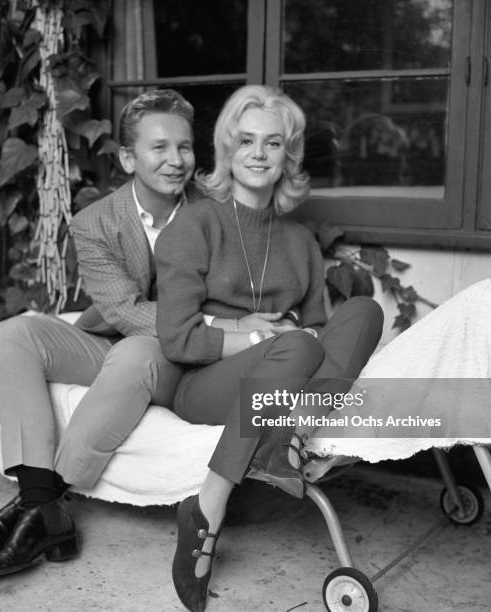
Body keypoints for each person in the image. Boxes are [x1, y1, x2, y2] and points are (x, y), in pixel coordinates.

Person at [154, 85, 384, 612]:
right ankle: (208, 506)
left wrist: (297, 342)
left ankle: (292, 428)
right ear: (228, 150)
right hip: (203, 382)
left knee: (364, 311)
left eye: (273, 143)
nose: (259, 154)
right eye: (247, 141)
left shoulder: (301, 242)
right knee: (298, 346)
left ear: (288, 157)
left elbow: (326, 337)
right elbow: (177, 337)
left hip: (287, 375)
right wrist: (264, 336)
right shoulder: (195, 224)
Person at [0, 89, 196, 578]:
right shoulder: (95, 221)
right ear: (130, 158)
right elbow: (122, 309)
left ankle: (39, 507)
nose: (177, 161)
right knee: (15, 335)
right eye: (160, 148)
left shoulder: (212, 212)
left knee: (136, 353)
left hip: (180, 354)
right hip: (117, 336)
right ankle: (43, 507)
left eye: (185, 147)